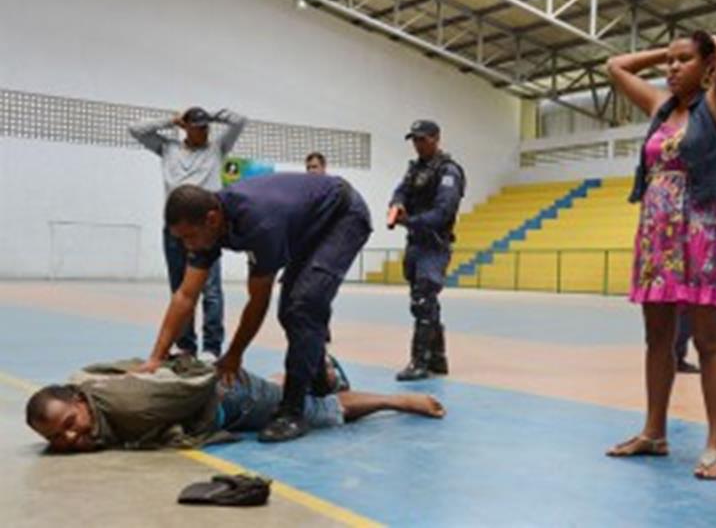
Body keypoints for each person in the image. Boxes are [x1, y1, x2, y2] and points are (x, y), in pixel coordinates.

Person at [604, 29, 716, 480]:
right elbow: (615, 67)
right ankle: (653, 432)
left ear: (707, 67)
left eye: (683, 60)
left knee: (709, 341)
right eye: (669, 60)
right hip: (657, 237)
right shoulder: (659, 107)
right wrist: (666, 53)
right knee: (656, 339)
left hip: (702, 234)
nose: (671, 67)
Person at [137, 173, 372, 442]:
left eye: (189, 237)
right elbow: (185, 296)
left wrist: (235, 354)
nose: (186, 245)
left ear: (212, 220)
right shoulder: (208, 225)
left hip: (342, 216)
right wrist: (156, 357)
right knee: (293, 310)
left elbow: (258, 300)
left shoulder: (260, 223)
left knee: (302, 305)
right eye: (181, 239)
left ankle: (293, 411)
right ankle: (322, 381)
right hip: (308, 222)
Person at [25, 358, 445, 453]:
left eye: (69, 422)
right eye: (56, 436)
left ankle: (397, 400)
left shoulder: (130, 404)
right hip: (231, 389)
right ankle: (309, 372)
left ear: (79, 402)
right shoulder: (85, 390)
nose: (69, 435)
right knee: (281, 392)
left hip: (233, 398)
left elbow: (195, 386)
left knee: (321, 413)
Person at [129, 107, 248, 361]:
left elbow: (240, 121)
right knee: (180, 289)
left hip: (207, 231)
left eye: (207, 127)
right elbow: (135, 129)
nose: (204, 131)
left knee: (212, 290)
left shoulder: (217, 148)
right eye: (198, 126)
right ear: (185, 127)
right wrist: (171, 120)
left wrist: (212, 115)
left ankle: (212, 348)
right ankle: (186, 345)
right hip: (175, 229)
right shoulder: (168, 148)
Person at [388, 120, 465, 381]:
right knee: (426, 301)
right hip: (416, 242)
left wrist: (410, 221)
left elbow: (444, 212)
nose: (417, 145)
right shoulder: (415, 170)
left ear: (436, 138)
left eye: (422, 139)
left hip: (434, 243)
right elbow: (400, 191)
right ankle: (439, 359)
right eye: (415, 140)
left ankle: (419, 361)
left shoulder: (448, 172)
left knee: (423, 299)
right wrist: (397, 204)